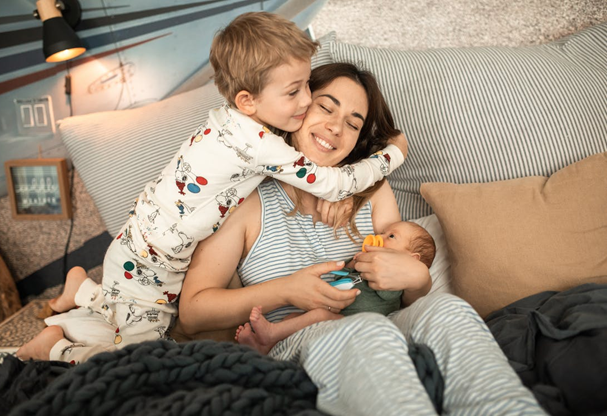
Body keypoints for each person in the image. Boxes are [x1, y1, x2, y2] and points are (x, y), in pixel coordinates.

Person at [16, 12, 406, 363]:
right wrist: (392, 154)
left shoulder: (227, 120)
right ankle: (53, 347)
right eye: (296, 93)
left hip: (147, 242)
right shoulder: (258, 145)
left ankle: (82, 290)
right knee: (140, 354)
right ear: (247, 100)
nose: (305, 101)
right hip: (154, 256)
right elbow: (331, 184)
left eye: (307, 86)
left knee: (133, 313)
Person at [177, 63, 546, 415]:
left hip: (386, 327)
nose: (336, 128)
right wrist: (287, 290)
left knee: (448, 309)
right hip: (297, 342)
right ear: (295, 107)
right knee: (363, 330)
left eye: (353, 125)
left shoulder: (372, 191)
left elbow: (396, 294)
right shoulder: (244, 202)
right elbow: (193, 313)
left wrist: (418, 280)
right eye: (325, 107)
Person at [235, 220, 436, 354]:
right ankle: (266, 345)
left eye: (391, 237)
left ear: (412, 260)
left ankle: (271, 333)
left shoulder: (395, 283)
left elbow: (387, 295)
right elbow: (348, 274)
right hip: (336, 315)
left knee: (318, 316)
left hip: (355, 325)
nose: (380, 236)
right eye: (382, 232)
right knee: (293, 318)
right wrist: (353, 263)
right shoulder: (366, 260)